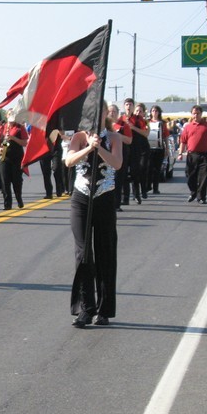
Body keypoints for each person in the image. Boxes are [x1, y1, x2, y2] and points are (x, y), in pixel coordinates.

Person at [64, 104, 123, 327]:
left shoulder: (115, 137)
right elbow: (69, 161)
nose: (94, 114)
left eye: (99, 110)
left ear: (104, 114)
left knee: (105, 252)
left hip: (105, 198)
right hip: (81, 198)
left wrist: (100, 148)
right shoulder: (78, 137)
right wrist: (88, 148)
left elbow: (117, 164)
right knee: (83, 252)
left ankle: (104, 309)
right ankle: (85, 309)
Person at [177, 105, 207, 204]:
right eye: (194, 113)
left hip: (204, 155)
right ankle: (193, 192)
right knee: (190, 176)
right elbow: (183, 141)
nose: (196, 115)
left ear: (201, 114)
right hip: (191, 155)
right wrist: (180, 153)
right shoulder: (188, 127)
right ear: (191, 114)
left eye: (198, 113)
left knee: (203, 176)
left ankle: (201, 197)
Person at [0, 110, 28, 209]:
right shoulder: (2, 127)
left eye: (13, 114)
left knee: (16, 180)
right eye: (9, 114)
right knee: (5, 180)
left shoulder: (20, 127)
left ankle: (19, 198)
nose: (11, 116)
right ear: (6, 116)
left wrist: (12, 138)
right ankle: (7, 204)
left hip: (16, 157)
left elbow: (24, 143)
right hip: (4, 157)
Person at [146, 105, 169, 194]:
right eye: (153, 111)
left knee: (157, 169)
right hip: (149, 148)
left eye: (156, 111)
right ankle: (148, 185)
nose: (154, 112)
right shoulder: (147, 122)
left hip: (159, 148)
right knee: (148, 168)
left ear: (159, 112)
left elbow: (166, 136)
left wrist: (167, 148)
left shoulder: (163, 123)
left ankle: (156, 188)